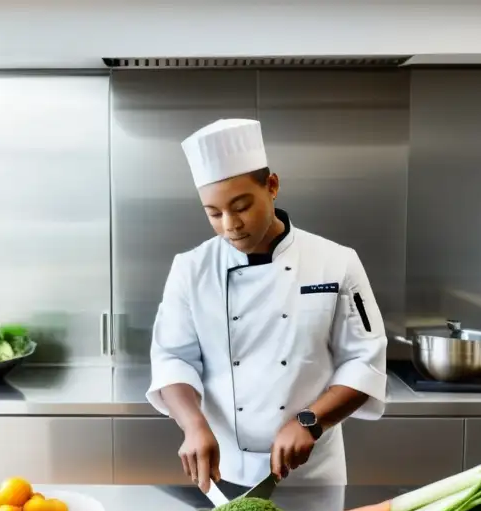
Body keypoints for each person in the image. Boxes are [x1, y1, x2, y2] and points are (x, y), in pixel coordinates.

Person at [146, 118, 387, 491]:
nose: (230, 225)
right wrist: (193, 425)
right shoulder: (191, 268)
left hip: (310, 474)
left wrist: (310, 421)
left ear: (272, 186)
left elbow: (364, 361)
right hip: (223, 469)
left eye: (241, 206)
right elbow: (172, 359)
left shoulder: (336, 261)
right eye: (213, 213)